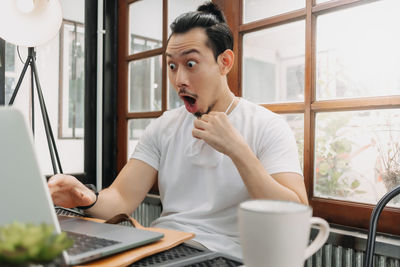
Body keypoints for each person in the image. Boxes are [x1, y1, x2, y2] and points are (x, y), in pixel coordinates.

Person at [48, 2, 308, 259]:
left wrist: (238, 151)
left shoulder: (267, 125)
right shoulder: (164, 127)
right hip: (162, 248)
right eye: (172, 66)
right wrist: (85, 198)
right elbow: (120, 198)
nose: (179, 80)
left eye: (191, 64)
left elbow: (294, 215)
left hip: (225, 256)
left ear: (224, 62)